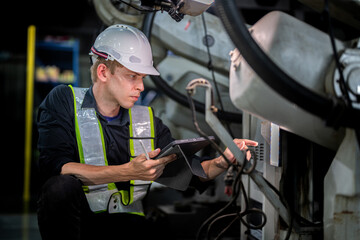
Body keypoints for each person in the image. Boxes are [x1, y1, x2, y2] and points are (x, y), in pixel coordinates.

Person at [36, 24, 258, 240]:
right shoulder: (64, 100)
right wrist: (129, 171)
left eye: (142, 77)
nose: (141, 86)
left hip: (130, 228)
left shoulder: (147, 120)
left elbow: (190, 172)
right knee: (59, 187)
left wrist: (222, 161)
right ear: (103, 72)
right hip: (80, 226)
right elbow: (56, 167)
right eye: (133, 76)